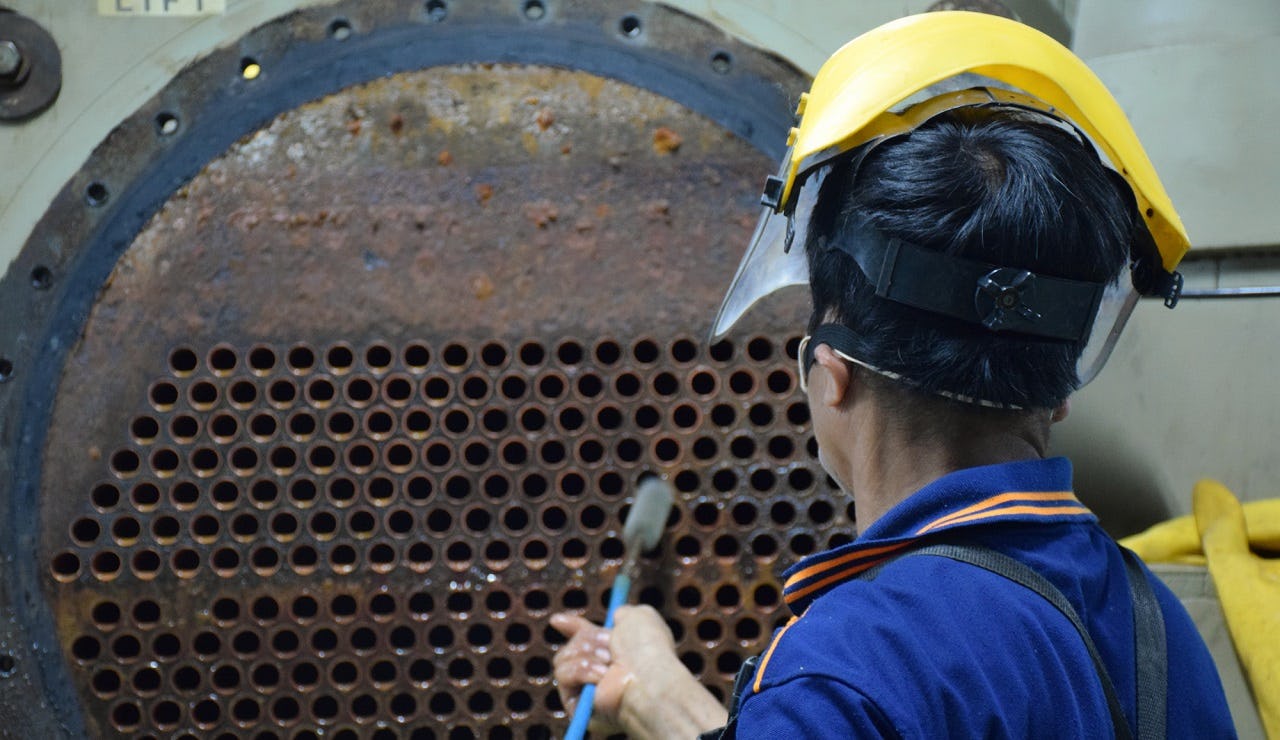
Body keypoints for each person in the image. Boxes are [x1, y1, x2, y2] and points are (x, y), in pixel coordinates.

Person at [552, 11, 1236, 739]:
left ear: (831, 376)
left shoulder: (846, 666)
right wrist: (657, 695)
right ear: (1057, 394)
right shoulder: (1153, 625)